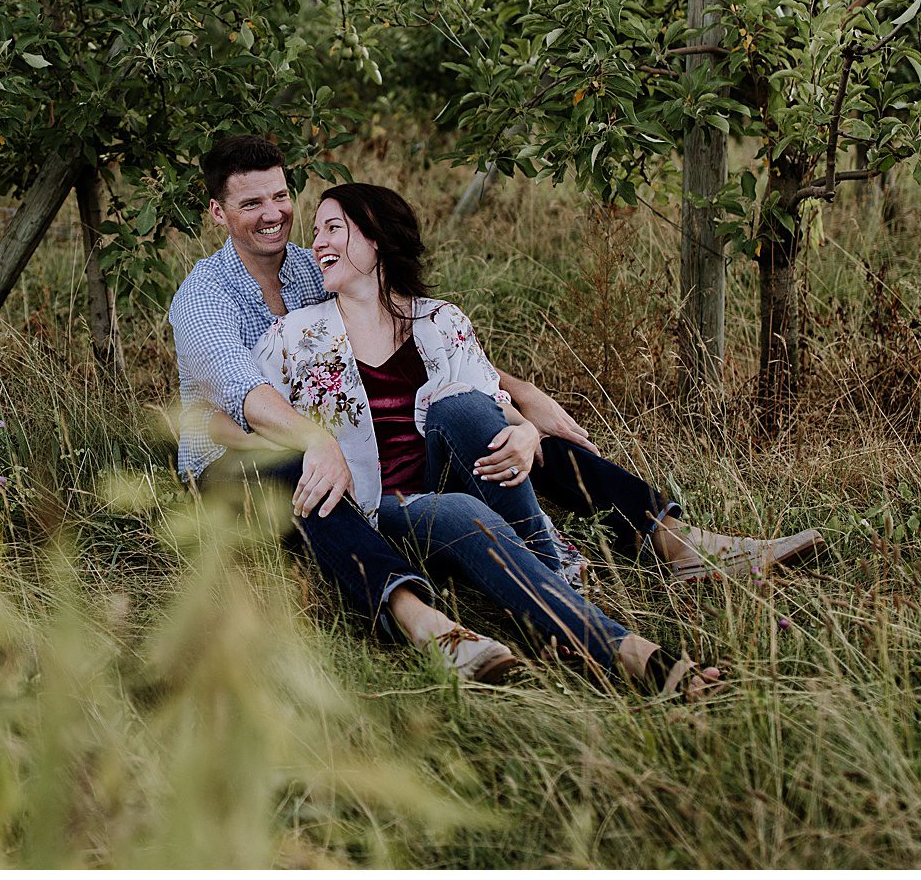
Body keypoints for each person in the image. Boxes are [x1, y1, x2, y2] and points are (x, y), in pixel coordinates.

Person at [167, 136, 817, 681]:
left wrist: (521, 400)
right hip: (237, 467)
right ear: (219, 214)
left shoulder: (313, 268)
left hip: (355, 457)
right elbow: (244, 404)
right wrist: (317, 440)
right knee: (312, 478)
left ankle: (673, 540)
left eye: (281, 195)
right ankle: (422, 620)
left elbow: (407, 336)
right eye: (251, 202)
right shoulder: (205, 299)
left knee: (487, 422)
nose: (274, 213)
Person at [254, 182, 720, 696]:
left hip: (450, 476)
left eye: (333, 228)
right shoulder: (294, 335)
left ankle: (544, 568)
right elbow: (256, 417)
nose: (317, 242)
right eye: (316, 230)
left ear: (377, 238)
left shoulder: (441, 320)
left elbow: (491, 402)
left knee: (460, 406)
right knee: (456, 510)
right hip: (376, 508)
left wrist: (522, 432)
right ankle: (626, 651)